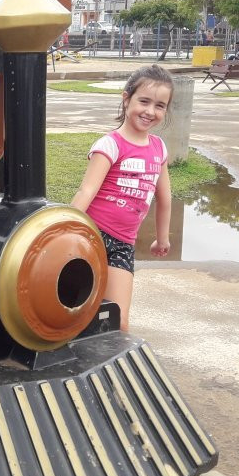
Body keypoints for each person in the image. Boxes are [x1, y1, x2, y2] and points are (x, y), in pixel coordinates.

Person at [71, 65, 173, 332]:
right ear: (126, 98)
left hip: (122, 245)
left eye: (160, 105)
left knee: (119, 322)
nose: (151, 111)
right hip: (91, 236)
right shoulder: (110, 145)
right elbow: (86, 192)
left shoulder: (159, 148)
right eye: (144, 101)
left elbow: (164, 198)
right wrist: (65, 233)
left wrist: (162, 238)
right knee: (74, 314)